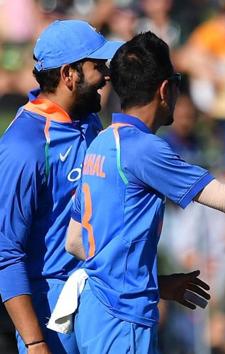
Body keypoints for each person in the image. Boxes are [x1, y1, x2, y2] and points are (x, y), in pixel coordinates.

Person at [52, 31, 225, 354]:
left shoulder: (100, 142)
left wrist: (154, 283)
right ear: (165, 89)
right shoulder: (144, 149)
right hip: (123, 319)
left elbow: (76, 242)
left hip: (94, 312)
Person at [0, 20, 122, 354]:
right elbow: (5, 251)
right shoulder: (23, 147)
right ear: (69, 74)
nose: (106, 76)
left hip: (98, 301)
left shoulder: (88, 121)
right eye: (97, 67)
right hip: (51, 317)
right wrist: (35, 342)